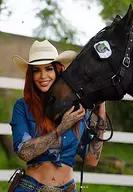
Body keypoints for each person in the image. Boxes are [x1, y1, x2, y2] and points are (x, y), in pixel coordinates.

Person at [9, 40, 106, 192]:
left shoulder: (78, 108)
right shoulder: (22, 107)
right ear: (30, 75)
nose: (43, 76)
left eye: (48, 69)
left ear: (58, 70)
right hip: (32, 187)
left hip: (68, 188)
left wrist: (101, 119)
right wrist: (61, 129)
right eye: (36, 70)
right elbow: (24, 153)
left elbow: (91, 160)